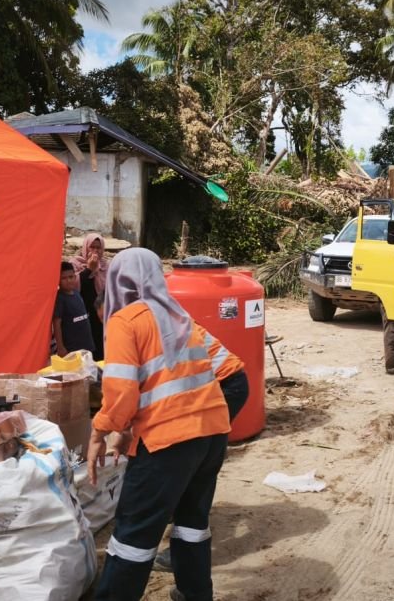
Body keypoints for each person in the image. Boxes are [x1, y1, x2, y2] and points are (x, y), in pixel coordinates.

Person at [88, 248, 230, 601]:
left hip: (168, 443)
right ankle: (197, 594)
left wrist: (99, 432)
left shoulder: (126, 321)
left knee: (133, 535)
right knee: (192, 524)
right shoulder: (179, 315)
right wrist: (127, 432)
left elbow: (122, 392)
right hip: (211, 434)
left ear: (117, 281)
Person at [153, 325, 249, 573]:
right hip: (221, 384)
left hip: (225, 386)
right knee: (194, 466)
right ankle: (180, 516)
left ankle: (184, 554)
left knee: (194, 471)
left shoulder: (155, 328)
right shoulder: (162, 318)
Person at [71, 233, 108, 359]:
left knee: (100, 344)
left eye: (98, 248)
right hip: (82, 312)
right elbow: (73, 286)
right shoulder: (75, 264)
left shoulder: (105, 266)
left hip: (99, 313)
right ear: (86, 247)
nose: (95, 251)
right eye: (92, 247)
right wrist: (89, 269)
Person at [52, 262, 95, 357]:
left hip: (86, 345)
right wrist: (60, 347)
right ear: (58, 280)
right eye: (64, 278)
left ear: (75, 277)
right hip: (72, 348)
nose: (68, 280)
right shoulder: (60, 299)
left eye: (71, 277)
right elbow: (56, 323)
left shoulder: (77, 293)